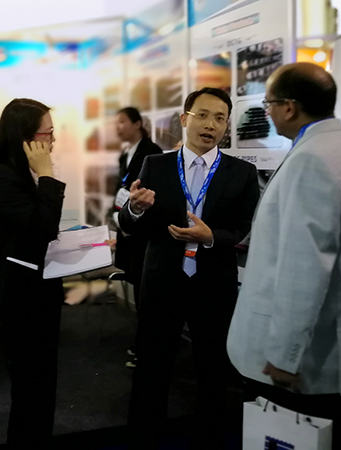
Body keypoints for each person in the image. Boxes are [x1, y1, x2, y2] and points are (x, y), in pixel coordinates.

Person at [118, 87, 260, 449]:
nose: (210, 125)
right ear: (185, 119)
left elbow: (243, 227)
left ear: (226, 126)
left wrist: (211, 236)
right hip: (162, 279)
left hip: (214, 283)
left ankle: (209, 438)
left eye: (219, 118)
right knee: (152, 367)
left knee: (213, 369)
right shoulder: (156, 166)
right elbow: (130, 224)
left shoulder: (242, 173)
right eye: (203, 115)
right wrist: (135, 208)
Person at [227, 63, 341, 449]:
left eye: (269, 104)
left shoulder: (313, 159)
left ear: (289, 107)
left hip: (300, 361)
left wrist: (284, 356)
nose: (269, 112)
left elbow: (304, 266)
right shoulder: (333, 147)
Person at [0, 98, 65, 449]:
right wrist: (46, 174)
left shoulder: (16, 175)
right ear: (26, 138)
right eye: (48, 133)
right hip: (22, 299)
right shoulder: (3, 178)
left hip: (34, 293)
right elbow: (44, 226)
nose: (52, 141)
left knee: (40, 389)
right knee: (31, 390)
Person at [113, 106, 162, 368]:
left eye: (122, 121)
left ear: (137, 124)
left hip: (143, 235)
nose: (117, 127)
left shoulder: (151, 153)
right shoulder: (126, 154)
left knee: (146, 294)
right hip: (128, 229)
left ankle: (148, 348)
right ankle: (144, 343)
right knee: (137, 285)